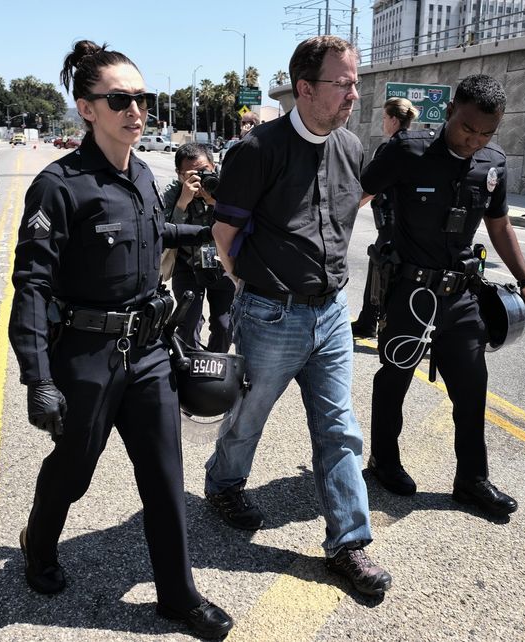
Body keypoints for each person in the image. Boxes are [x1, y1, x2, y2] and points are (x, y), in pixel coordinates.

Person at [8, 40, 232, 639]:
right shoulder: (61, 186)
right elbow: (30, 287)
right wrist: (39, 380)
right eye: (121, 99)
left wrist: (220, 224)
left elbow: (160, 231)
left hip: (150, 352)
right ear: (86, 107)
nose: (137, 110)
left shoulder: (142, 176)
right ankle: (38, 542)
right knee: (74, 470)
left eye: (143, 98)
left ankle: (178, 596)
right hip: (85, 356)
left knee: (163, 473)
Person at [204, 35, 392, 597]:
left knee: (339, 429)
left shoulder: (352, 148)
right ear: (305, 89)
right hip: (271, 312)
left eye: (356, 82)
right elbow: (224, 233)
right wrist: (253, 287)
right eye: (343, 83)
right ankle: (224, 485)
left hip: (331, 312)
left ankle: (348, 544)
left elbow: (348, 205)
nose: (354, 94)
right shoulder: (257, 150)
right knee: (248, 415)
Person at [360, 74, 525, 517]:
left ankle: (471, 479)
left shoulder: (493, 163)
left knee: (471, 386)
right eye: (467, 128)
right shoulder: (407, 150)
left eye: (486, 133)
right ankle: (384, 460)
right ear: (450, 111)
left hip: (460, 295)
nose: (474, 140)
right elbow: (355, 197)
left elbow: (500, 226)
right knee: (395, 378)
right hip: (409, 291)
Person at [351, 97, 419, 339]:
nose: (383, 123)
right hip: (411, 226)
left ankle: (370, 322)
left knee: (378, 271)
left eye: (384, 118)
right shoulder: (421, 146)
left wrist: (347, 212)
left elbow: (369, 186)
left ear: (393, 119)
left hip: (389, 226)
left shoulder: (391, 148)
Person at [160, 143, 234, 352]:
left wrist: (214, 202)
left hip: (222, 264)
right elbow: (166, 233)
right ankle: (189, 369)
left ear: (213, 166)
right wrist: (183, 202)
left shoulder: (226, 187)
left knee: (224, 325)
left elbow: (238, 226)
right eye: (192, 174)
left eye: (204, 171)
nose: (200, 179)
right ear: (179, 174)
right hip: (187, 264)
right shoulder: (173, 193)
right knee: (188, 321)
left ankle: (214, 367)